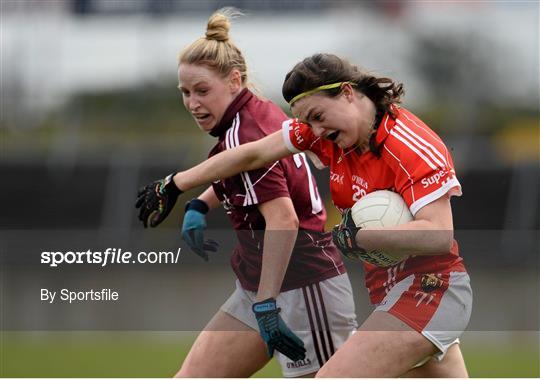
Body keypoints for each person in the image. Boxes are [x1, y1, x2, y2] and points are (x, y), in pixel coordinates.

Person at [137, 52, 474, 377]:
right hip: (389, 290)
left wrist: (358, 236)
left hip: (431, 289)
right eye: (306, 121)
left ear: (346, 93)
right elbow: (250, 154)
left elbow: (438, 233)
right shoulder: (327, 134)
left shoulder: (407, 145)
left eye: (318, 116)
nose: (314, 129)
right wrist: (176, 184)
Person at [135, 13, 358, 378]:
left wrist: (268, 305)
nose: (193, 103)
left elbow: (283, 219)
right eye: (186, 93)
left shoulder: (244, 132)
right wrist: (200, 203)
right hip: (258, 288)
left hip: (304, 288)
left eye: (202, 91)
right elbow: (240, 169)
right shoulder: (258, 110)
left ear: (234, 80)